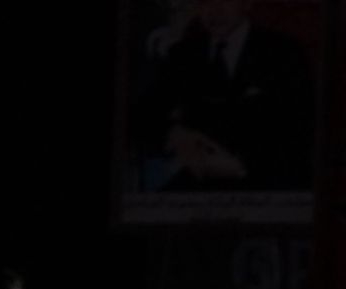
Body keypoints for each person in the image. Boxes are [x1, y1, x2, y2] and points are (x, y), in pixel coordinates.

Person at [131, 0, 316, 189]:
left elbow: (301, 128)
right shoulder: (184, 55)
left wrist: (241, 169)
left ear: (247, 4)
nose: (214, 11)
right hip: (198, 186)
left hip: (271, 184)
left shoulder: (283, 52)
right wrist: (176, 137)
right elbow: (142, 117)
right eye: (204, 3)